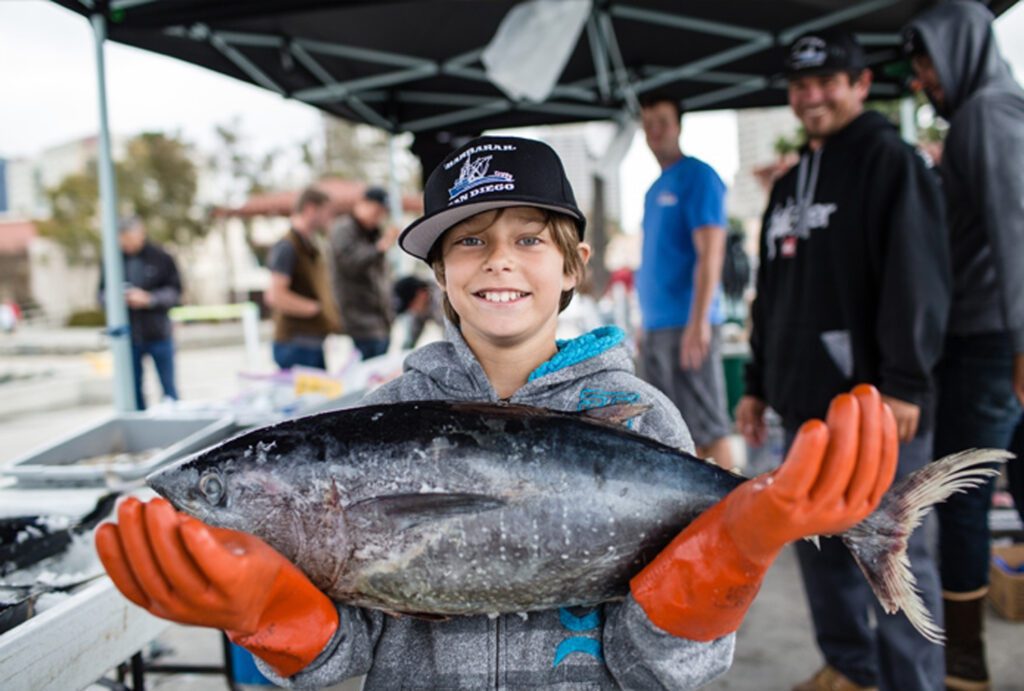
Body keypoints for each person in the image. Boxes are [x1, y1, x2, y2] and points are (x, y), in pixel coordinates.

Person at [95, 136, 897, 690]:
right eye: (469, 243)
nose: (500, 259)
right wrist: (271, 616)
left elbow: (662, 668)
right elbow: (345, 660)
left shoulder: (637, 413)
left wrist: (731, 552)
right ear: (439, 274)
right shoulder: (382, 415)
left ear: (576, 265)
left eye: (529, 238)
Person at [735, 30, 951, 691]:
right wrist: (756, 384)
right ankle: (851, 670)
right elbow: (771, 294)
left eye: (827, 81)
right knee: (820, 546)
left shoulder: (892, 162)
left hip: (881, 410)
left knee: (892, 556)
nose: (812, 96)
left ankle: (912, 682)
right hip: (804, 409)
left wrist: (906, 381)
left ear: (860, 84)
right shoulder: (792, 180)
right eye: (800, 86)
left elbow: (918, 277)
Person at [904, 4, 1024, 688]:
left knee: (963, 500)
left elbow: (1014, 228)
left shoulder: (987, 114)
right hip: (999, 337)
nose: (923, 80)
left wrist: (1020, 342)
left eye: (927, 63)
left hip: (989, 343)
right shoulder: (1002, 107)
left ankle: (966, 668)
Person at [636, 93, 735, 470]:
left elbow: (711, 252)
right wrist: (644, 324)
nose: (654, 131)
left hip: (689, 325)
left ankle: (737, 523)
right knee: (672, 434)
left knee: (709, 428)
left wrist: (698, 322)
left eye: (661, 121)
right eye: (647, 123)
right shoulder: (652, 190)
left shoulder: (699, 177)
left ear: (678, 125)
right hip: (657, 328)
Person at [99, 216, 182, 410]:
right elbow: (100, 294)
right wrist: (115, 299)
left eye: (129, 238)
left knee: (169, 388)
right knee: (133, 390)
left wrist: (149, 299)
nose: (126, 244)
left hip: (159, 334)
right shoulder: (112, 261)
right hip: (128, 337)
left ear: (140, 233)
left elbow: (175, 292)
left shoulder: (161, 257)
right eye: (122, 239)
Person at [264, 186, 343, 370]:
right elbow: (275, 296)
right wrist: (315, 309)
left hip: (312, 341)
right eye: (326, 211)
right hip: (295, 343)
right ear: (310, 209)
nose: (329, 218)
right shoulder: (288, 246)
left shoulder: (311, 245)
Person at [329, 186, 399, 360]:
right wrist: (380, 247)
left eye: (382, 213)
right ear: (362, 205)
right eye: (376, 212)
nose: (379, 218)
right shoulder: (344, 229)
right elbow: (350, 264)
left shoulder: (373, 233)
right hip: (358, 321)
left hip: (379, 321)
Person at [392, 274, 442, 350]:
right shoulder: (421, 308)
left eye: (411, 305)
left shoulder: (441, 299)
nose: (412, 310)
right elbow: (412, 338)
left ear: (421, 294)